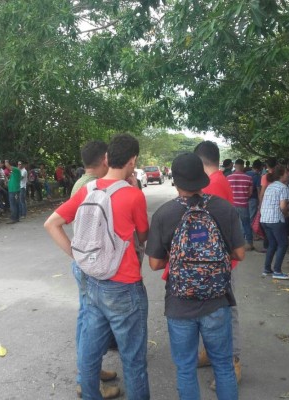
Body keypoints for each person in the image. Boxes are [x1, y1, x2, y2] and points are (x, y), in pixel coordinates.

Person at [44, 134, 149, 400]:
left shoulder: (87, 190)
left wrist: (76, 256)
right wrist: (134, 188)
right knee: (133, 361)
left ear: (107, 158)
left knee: (90, 355)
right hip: (125, 286)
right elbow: (143, 236)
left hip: (91, 281)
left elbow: (51, 224)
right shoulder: (133, 195)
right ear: (132, 160)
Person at [146, 152, 244, 400]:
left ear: (175, 181)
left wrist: (180, 258)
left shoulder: (164, 214)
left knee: (186, 369)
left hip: (180, 305)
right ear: (202, 179)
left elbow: (155, 263)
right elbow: (240, 253)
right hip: (217, 302)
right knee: (223, 367)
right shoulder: (224, 209)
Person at [193, 141, 241, 385]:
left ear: (200, 163)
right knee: (211, 311)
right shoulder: (217, 181)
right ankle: (210, 353)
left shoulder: (213, 185)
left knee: (225, 312)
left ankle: (232, 362)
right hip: (214, 261)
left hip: (219, 263)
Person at [260, 165, 289, 280]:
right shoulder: (283, 187)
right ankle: (277, 271)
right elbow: (283, 206)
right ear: (281, 175)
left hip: (265, 219)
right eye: (287, 173)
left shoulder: (270, 186)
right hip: (275, 219)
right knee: (283, 244)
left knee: (272, 244)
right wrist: (287, 213)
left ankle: (267, 269)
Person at [227, 159, 254, 250]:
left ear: (235, 165)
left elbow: (227, 192)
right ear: (242, 166)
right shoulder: (248, 178)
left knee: (233, 225)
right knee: (246, 224)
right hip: (243, 204)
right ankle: (249, 244)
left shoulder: (228, 178)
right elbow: (250, 193)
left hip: (232, 205)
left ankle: (233, 245)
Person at [246, 159, 262, 224]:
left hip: (245, 198)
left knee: (245, 217)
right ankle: (250, 233)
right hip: (253, 199)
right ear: (260, 167)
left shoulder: (246, 173)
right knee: (251, 217)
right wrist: (260, 203)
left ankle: (244, 232)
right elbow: (259, 191)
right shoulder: (257, 176)